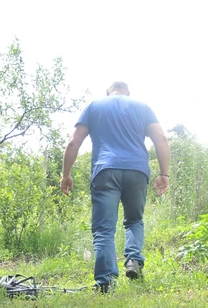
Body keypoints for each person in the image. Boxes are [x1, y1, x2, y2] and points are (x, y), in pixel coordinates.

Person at [60, 82, 170, 292]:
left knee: (103, 230)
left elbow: (74, 142)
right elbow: (161, 138)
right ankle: (134, 260)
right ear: (128, 93)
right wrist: (164, 174)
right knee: (134, 220)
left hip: (106, 170)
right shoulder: (142, 107)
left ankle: (106, 283)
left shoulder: (94, 106)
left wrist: (66, 174)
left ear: (108, 92)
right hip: (137, 171)